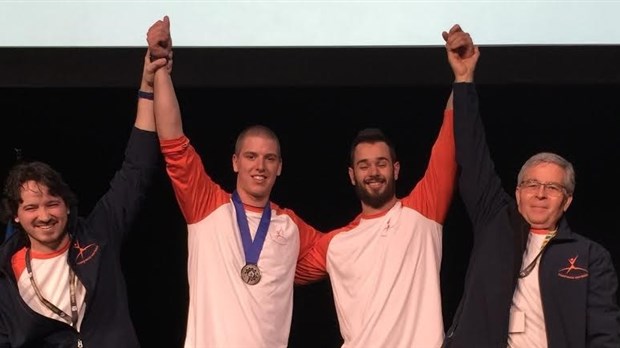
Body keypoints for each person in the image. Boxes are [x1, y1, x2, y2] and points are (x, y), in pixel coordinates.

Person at [147, 16, 324, 348]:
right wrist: (161, 69)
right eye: (251, 156)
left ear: (280, 167)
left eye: (269, 158)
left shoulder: (290, 227)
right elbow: (173, 141)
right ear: (235, 162)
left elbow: (345, 252)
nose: (260, 166)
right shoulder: (205, 205)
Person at [296, 25, 476, 348]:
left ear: (395, 169)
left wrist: (462, 79)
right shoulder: (335, 244)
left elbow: (448, 143)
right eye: (364, 165)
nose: (373, 172)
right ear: (352, 175)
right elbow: (275, 267)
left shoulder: (422, 212)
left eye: (381, 163)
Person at [442, 28, 620, 347]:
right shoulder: (495, 222)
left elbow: (604, 333)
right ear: (518, 190)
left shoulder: (590, 255)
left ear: (566, 201)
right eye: (532, 184)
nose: (539, 193)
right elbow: (472, 153)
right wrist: (464, 80)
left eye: (552, 187)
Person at [0, 23, 169, 347]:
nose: (44, 215)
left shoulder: (98, 234)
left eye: (52, 203)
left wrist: (148, 83)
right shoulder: (5, 272)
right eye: (31, 207)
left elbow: (136, 169)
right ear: (17, 215)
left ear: (66, 205)